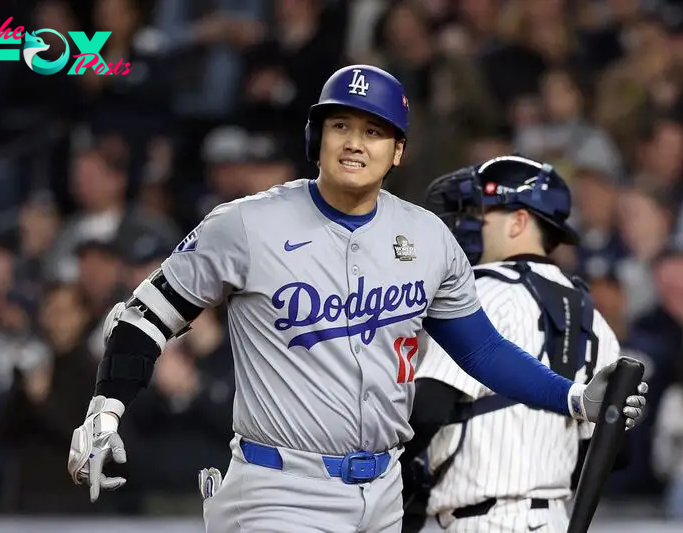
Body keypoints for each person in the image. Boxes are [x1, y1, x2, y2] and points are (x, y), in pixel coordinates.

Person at [66, 65, 646, 533]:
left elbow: (485, 352)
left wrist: (571, 397)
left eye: (373, 131)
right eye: (341, 125)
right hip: (279, 488)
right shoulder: (246, 224)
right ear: (317, 137)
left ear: (397, 152)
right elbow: (146, 317)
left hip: (382, 494)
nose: (355, 142)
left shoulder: (427, 237)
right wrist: (106, 406)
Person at [401, 156, 641, 533]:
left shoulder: (482, 291)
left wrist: (384, 474)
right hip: (554, 520)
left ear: (519, 221)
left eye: (482, 211)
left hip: (486, 520)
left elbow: (429, 407)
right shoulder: (591, 316)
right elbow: (616, 451)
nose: (470, 221)